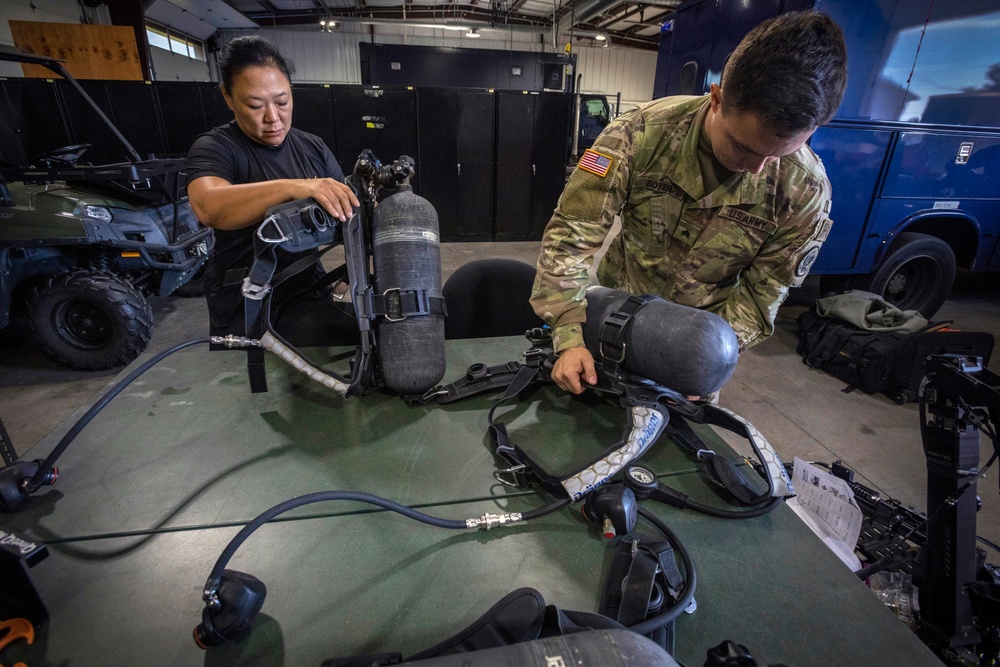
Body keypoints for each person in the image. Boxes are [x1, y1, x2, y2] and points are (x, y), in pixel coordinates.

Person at [531, 11, 848, 395]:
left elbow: (760, 296)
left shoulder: (805, 192)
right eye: (744, 148)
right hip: (609, 321)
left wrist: (703, 362)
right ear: (716, 98)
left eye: (778, 155)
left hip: (694, 350)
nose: (756, 169)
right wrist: (568, 335)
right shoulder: (638, 135)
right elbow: (571, 237)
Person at [186, 35, 360, 341]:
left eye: (282, 102)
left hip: (306, 286)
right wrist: (292, 187)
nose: (273, 117)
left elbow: (350, 213)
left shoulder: (312, 148)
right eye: (255, 105)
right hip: (246, 297)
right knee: (252, 382)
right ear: (227, 97)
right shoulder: (216, 148)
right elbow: (208, 206)